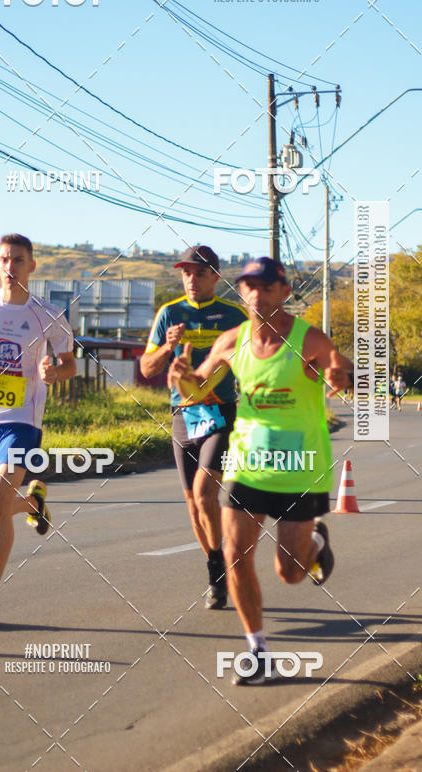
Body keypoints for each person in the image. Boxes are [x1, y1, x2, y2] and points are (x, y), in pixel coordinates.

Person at [169, 257, 353, 685]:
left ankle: (316, 540)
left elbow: (343, 372)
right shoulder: (232, 342)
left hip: (298, 467)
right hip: (247, 463)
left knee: (288, 573)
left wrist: (341, 376)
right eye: (249, 286)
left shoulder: (309, 340)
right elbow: (199, 390)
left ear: (284, 292)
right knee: (235, 555)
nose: (256, 293)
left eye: (266, 286)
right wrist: (181, 379)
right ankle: (259, 651)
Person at [0, 234, 76, 628]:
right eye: (4, 259)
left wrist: (54, 372)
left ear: (32, 266)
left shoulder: (48, 314)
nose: (10, 266)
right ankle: (35, 505)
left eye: (18, 260)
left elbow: (70, 363)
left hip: (21, 423)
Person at [140, 246, 247, 609]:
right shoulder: (169, 313)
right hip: (183, 414)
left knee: (204, 492)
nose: (191, 279)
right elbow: (147, 369)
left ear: (215, 276)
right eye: (186, 272)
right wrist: (167, 348)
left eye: (199, 273)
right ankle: (216, 567)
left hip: (220, 413)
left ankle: (219, 568)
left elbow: (251, 365)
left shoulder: (235, 316)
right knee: (192, 503)